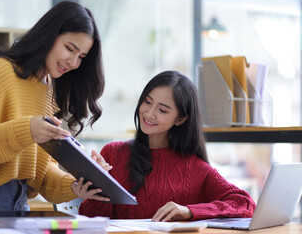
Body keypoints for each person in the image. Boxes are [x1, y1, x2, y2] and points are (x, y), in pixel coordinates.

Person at [0, 1, 111, 224]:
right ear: (50, 35)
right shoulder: (2, 71)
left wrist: (76, 186)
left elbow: (42, 174)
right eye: (70, 49)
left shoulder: (51, 89)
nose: (73, 62)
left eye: (81, 57)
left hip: (18, 205)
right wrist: (28, 130)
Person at [79, 71, 256, 221]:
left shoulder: (196, 168)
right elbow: (94, 222)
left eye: (162, 110)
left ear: (181, 119)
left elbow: (246, 203)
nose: (149, 113)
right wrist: (92, 195)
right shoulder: (112, 154)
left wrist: (190, 211)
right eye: (147, 102)